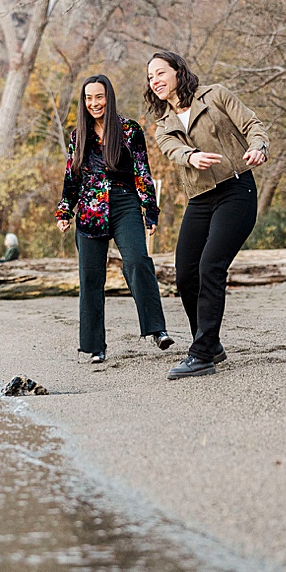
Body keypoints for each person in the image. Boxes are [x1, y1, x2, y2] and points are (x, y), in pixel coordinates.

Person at [143, 51, 270, 380]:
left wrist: (259, 147)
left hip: (236, 190)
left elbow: (253, 125)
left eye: (160, 73)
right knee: (185, 274)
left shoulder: (216, 96)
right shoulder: (164, 126)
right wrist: (192, 155)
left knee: (210, 266)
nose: (155, 80)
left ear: (177, 72)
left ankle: (200, 355)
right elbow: (173, 151)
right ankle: (210, 344)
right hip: (199, 200)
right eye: (150, 77)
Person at [55, 74, 174, 364]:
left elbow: (142, 173)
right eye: (88, 98)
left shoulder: (129, 130)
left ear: (109, 97)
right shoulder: (77, 135)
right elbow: (72, 177)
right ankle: (95, 346)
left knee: (137, 261)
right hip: (88, 210)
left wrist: (150, 209)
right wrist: (64, 211)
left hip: (124, 204)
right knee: (91, 279)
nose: (94, 103)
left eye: (99, 96)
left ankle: (156, 330)